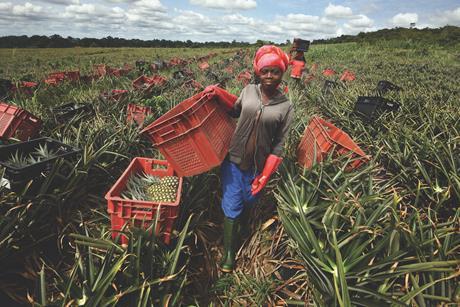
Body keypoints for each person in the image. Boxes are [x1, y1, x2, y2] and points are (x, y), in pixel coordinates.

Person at [216, 45, 294, 272]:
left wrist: (266, 175)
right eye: (265, 71)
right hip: (233, 159)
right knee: (232, 203)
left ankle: (241, 226)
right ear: (258, 71)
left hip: (259, 166)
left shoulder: (286, 107)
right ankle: (230, 253)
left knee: (249, 200)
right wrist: (217, 93)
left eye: (275, 71)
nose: (269, 76)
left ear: (282, 73)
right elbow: (234, 111)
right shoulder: (248, 90)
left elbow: (279, 145)